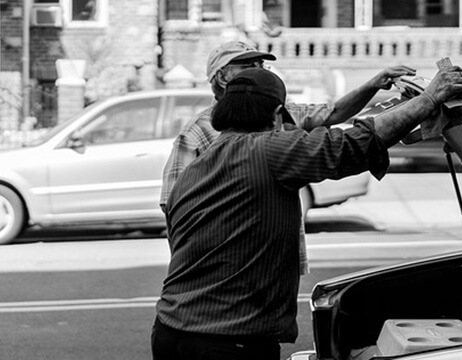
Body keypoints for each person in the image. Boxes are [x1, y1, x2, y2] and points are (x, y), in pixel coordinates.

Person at [152, 66, 462, 360]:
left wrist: (412, 103)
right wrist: (429, 99)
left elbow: (338, 124)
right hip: (228, 341)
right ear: (279, 115)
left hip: (170, 330)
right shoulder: (266, 151)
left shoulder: (197, 168)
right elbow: (351, 144)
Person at [159, 40, 416, 274]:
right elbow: (173, 204)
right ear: (223, 77)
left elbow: (333, 113)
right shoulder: (197, 133)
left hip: (272, 263)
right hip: (226, 266)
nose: (259, 71)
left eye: (261, 65)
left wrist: (373, 85)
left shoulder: (278, 113)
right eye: (249, 66)